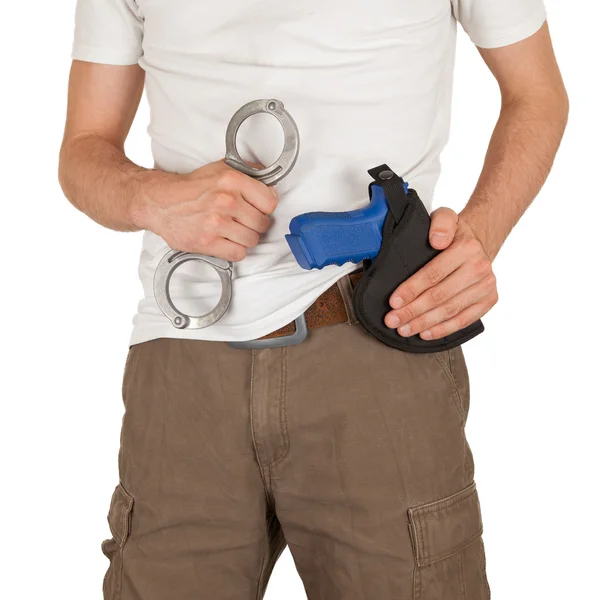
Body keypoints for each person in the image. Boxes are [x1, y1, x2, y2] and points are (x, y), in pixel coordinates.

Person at [58, 1, 568, 598]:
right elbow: (83, 149)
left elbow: (537, 93)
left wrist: (479, 235)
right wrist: (150, 197)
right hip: (184, 352)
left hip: (378, 342)